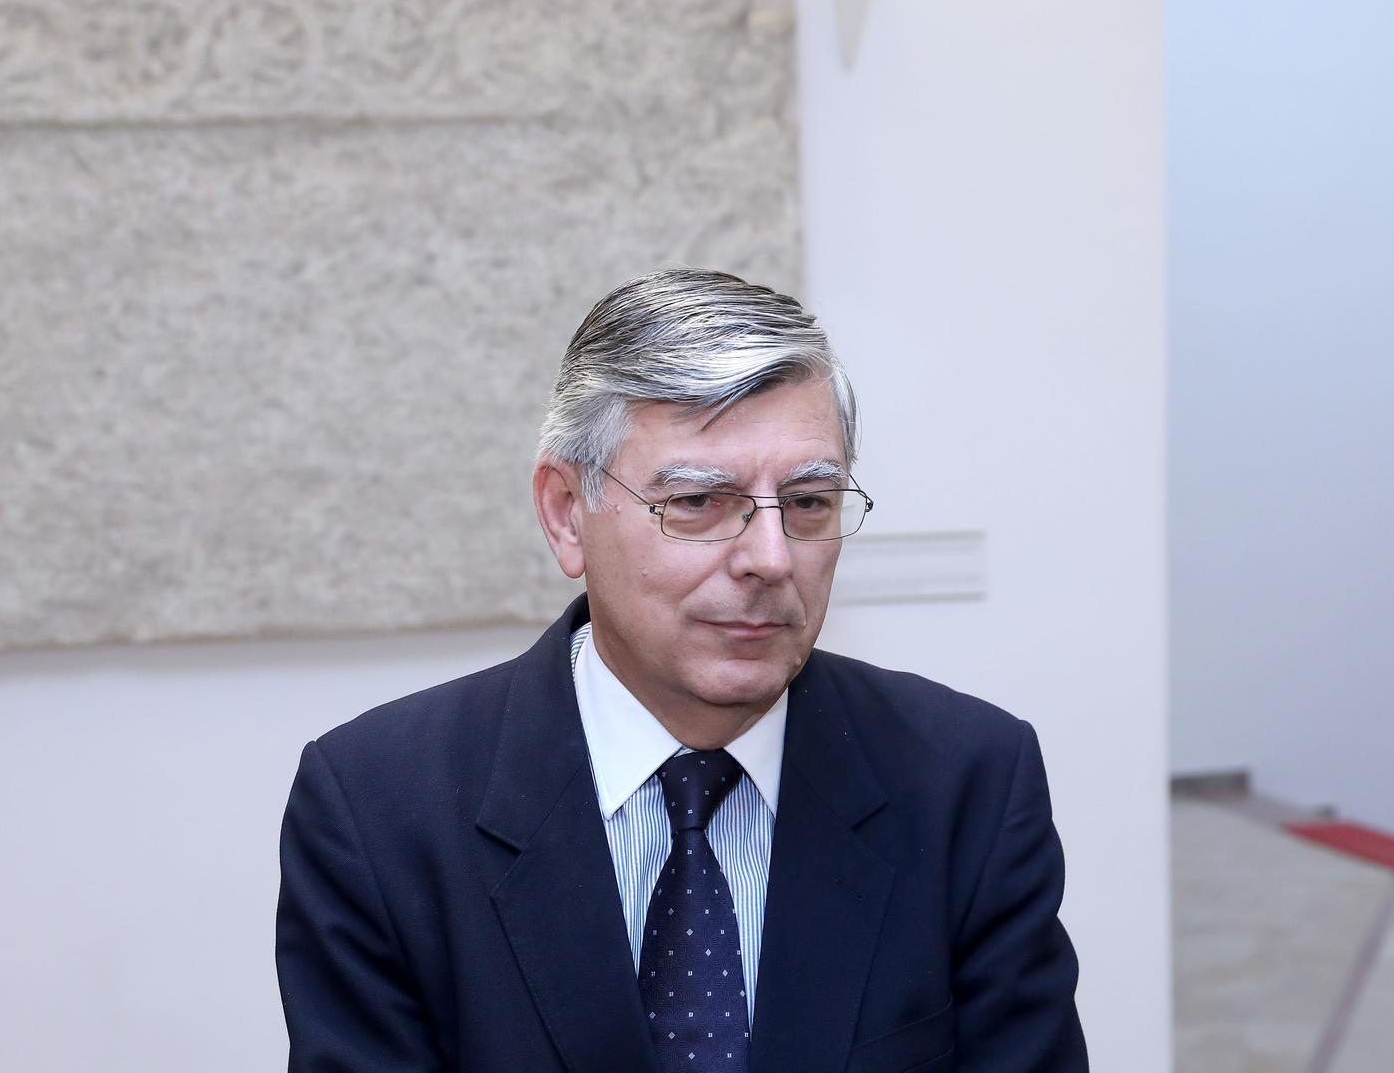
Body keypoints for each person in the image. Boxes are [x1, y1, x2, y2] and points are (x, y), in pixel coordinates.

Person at [276, 269, 1087, 1072]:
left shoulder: (967, 781)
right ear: (566, 513)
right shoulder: (378, 807)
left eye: (808, 502)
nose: (771, 558)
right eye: (698, 502)